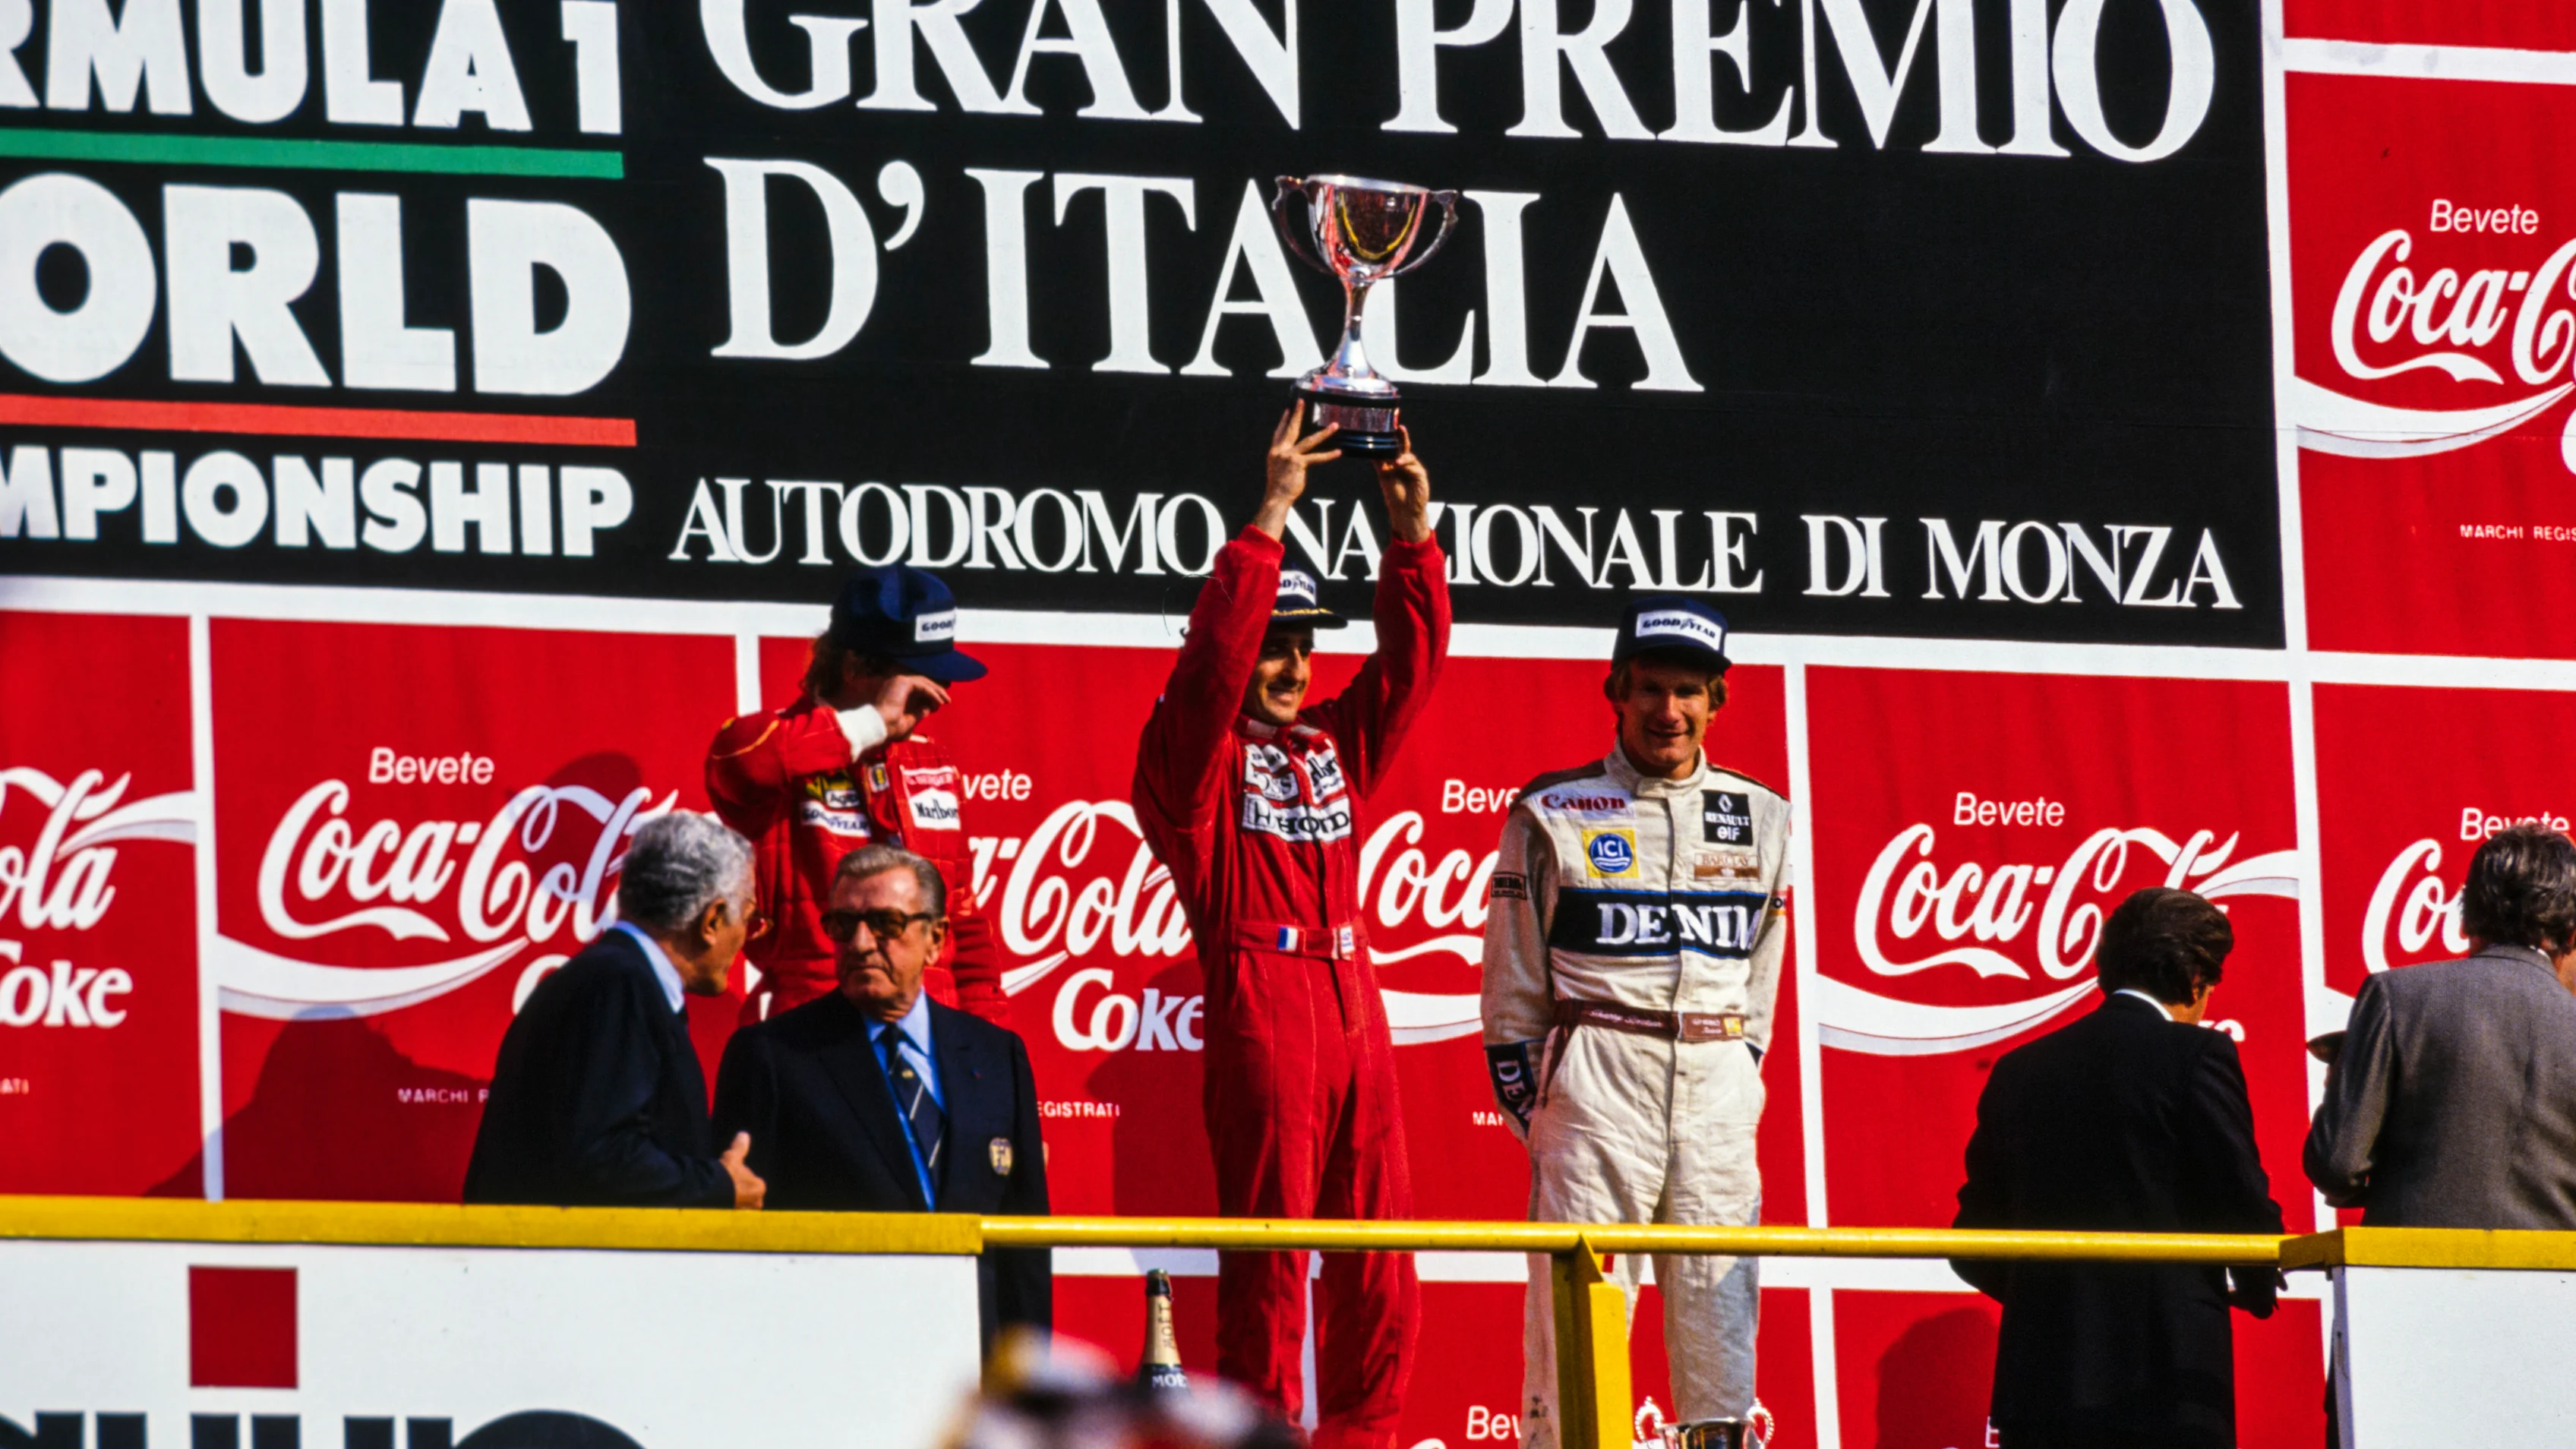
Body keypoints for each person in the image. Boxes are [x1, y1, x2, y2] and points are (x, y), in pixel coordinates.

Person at [1129, 412, 1449, 1448]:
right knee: (1271, 1259)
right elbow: (1210, 673)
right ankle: (1261, 1436)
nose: (1290, 664)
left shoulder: (1332, 747)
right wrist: (1268, 517)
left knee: (1382, 1261)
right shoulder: (1191, 762)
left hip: (1356, 999)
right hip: (1264, 997)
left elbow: (1407, 673)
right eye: (1272, 644)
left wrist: (1412, 544)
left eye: (1304, 643)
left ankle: (1368, 1437)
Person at [1479, 597, 1788, 1449]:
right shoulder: (1552, 808)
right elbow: (1511, 990)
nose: (1668, 712)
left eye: (1688, 691)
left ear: (1718, 700)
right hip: (1598, 1073)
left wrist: (1736, 1071)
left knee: (1718, 1315)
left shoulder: (1764, 815)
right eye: (1650, 689)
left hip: (1716, 1081)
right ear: (1614, 691)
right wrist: (1545, 1107)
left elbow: (1760, 977)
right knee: (1575, 1322)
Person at [1952, 886, 2284, 1449]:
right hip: (2167, 1377)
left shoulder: (2018, 1069)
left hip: (2043, 1380)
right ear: (2194, 977)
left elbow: (1971, 1241)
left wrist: (2054, 1297)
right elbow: (2241, 1197)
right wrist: (2255, 1282)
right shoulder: (2198, 1054)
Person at [712, 844, 1050, 1349]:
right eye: (843, 926)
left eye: (886, 924)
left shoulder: (997, 1055)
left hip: (972, 1361)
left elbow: (1024, 1241)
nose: (862, 943)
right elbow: (738, 1240)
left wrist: (1029, 1375)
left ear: (936, 939)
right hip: (834, 1355)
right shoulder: (773, 1055)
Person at [706, 564, 1010, 1028]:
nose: (935, 698)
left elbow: (962, 922)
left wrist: (989, 1040)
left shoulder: (932, 763)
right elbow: (738, 764)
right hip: (814, 1032)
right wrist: (872, 722)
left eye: (943, 680)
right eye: (918, 679)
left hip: (934, 1034)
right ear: (854, 667)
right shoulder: (775, 744)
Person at [465, 811, 766, 1210]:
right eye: (749, 919)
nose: (747, 937)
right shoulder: (619, 986)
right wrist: (718, 1187)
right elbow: (600, 1160)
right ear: (711, 920)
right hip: (563, 1265)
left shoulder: (604, 979)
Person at [2306, 822, 2576, 1227]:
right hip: (2560, 1280)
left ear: (2466, 919)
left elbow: (2338, 1163)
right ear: (2570, 933)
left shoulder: (2396, 995)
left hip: (2415, 1277)